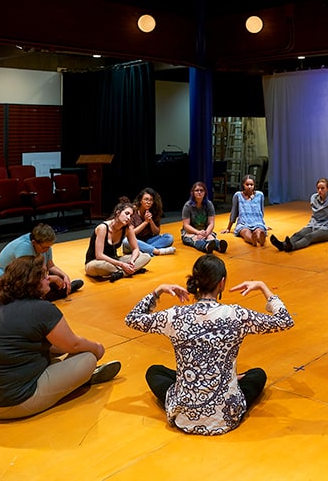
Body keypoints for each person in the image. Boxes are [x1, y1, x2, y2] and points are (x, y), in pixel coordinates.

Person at [124, 254, 294, 435]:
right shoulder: (236, 315)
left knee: (154, 371)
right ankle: (229, 380)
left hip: (184, 415)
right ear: (222, 283)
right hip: (225, 417)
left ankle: (195, 384)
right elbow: (285, 320)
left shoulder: (175, 316)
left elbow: (132, 318)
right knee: (257, 375)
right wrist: (262, 287)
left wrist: (157, 291)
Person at [0, 256, 121, 420]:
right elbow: (73, 345)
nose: (48, 278)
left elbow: (49, 345)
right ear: (32, 282)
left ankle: (73, 377)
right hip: (10, 404)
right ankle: (85, 376)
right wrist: (97, 347)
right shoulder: (42, 309)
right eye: (43, 275)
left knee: (52, 356)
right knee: (88, 358)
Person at [0, 223, 83, 301]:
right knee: (36, 288)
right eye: (44, 248)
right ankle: (60, 292)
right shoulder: (23, 247)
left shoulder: (44, 244)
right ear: (34, 242)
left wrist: (64, 276)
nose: (47, 250)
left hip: (28, 276)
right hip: (6, 279)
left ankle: (63, 288)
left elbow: (50, 266)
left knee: (56, 278)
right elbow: (25, 277)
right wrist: (53, 279)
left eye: (49, 247)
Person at [85, 199, 151, 282]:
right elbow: (99, 255)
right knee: (99, 266)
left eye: (131, 216)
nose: (128, 218)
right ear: (118, 212)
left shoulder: (128, 228)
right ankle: (130, 270)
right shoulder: (103, 228)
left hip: (115, 260)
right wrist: (122, 265)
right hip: (96, 262)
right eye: (126, 213)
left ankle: (122, 273)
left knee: (146, 256)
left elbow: (136, 249)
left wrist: (132, 261)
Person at [271, 177, 328, 252]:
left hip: (326, 229)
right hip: (313, 225)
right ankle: (283, 245)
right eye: (318, 188)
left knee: (309, 236)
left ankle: (292, 247)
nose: (320, 190)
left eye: (322, 188)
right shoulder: (313, 197)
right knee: (299, 234)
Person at [122, 187, 176, 256]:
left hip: (148, 240)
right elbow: (131, 233)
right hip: (135, 240)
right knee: (126, 241)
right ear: (140, 201)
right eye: (146, 199)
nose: (148, 202)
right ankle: (157, 251)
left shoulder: (155, 211)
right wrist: (145, 222)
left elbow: (156, 232)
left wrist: (150, 221)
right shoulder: (133, 212)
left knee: (169, 238)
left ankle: (144, 250)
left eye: (151, 200)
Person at [180, 181, 228, 253]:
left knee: (210, 237)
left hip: (205, 230)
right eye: (197, 190)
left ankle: (219, 246)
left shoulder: (209, 204)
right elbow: (186, 225)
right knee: (196, 239)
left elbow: (211, 223)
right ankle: (206, 247)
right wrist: (198, 232)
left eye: (201, 190)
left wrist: (206, 233)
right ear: (193, 192)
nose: (199, 192)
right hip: (191, 232)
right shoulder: (187, 206)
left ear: (205, 192)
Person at [222, 174, 267, 247]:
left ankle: (261, 239)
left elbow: (261, 211)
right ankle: (252, 239)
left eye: (251, 185)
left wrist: (263, 224)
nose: (249, 187)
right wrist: (228, 228)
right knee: (245, 232)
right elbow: (234, 212)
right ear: (243, 184)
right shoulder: (238, 195)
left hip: (257, 222)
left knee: (259, 230)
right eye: (247, 184)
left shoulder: (260, 195)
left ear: (254, 185)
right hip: (243, 223)